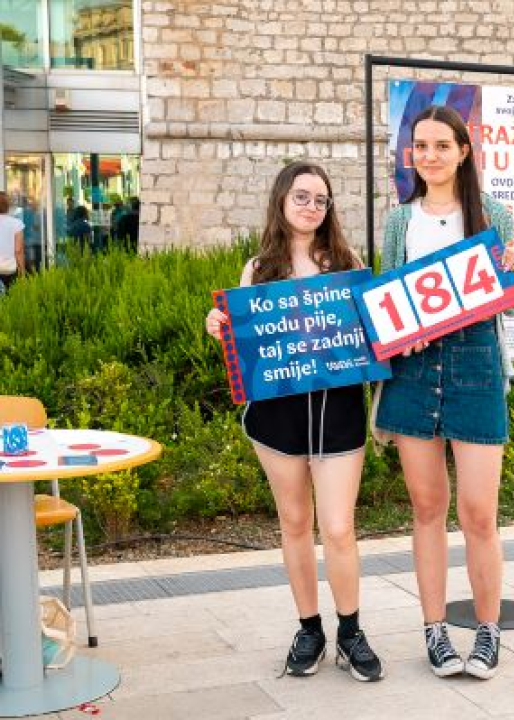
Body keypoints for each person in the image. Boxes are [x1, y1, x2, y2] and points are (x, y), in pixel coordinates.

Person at [204, 162, 384, 682]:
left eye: (321, 200)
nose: (311, 206)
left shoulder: (348, 263)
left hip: (338, 412)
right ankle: (310, 629)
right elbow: (248, 343)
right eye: (302, 196)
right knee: (295, 524)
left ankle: (350, 631)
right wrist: (221, 326)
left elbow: (369, 337)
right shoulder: (257, 268)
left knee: (339, 527)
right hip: (277, 415)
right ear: (282, 200)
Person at [372, 105, 514, 680]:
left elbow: (508, 300)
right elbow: (387, 298)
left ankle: (487, 631)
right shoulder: (398, 222)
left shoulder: (494, 216)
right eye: (420, 146)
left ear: (464, 151)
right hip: (415, 374)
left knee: (480, 512)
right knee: (427, 508)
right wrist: (396, 336)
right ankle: (434, 630)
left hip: (476, 364)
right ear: (409, 154)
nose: (429, 156)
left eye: (442, 145)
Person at [0, 191, 25, 293]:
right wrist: (22, 272)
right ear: (8, 205)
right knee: (11, 301)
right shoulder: (16, 223)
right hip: (10, 270)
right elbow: (18, 250)